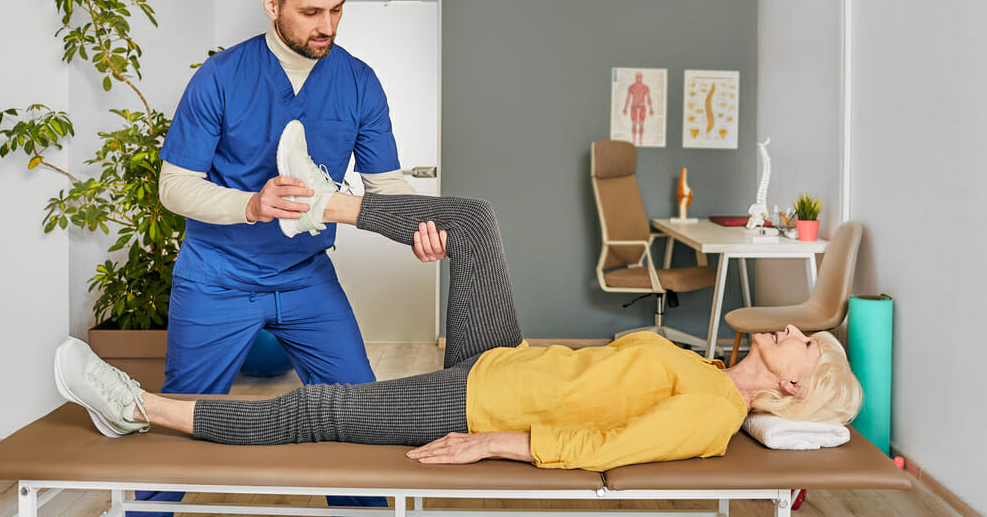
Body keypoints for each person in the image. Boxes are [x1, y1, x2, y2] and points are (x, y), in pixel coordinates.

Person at [57, 188, 864, 472]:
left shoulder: (714, 413)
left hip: (477, 402)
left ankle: (137, 406)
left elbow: (604, 449)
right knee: (473, 222)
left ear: (791, 384)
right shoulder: (708, 370)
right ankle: (322, 204)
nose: (789, 330)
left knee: (319, 409)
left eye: (800, 341)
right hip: (503, 358)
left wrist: (496, 442)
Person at [154, 0, 443, 515]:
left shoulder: (358, 81)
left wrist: (421, 228)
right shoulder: (220, 76)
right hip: (217, 276)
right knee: (179, 422)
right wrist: (253, 205)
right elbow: (174, 186)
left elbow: (385, 186)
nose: (327, 25)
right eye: (312, 12)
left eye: (337, 9)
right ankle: (148, 507)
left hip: (306, 276)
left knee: (360, 415)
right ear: (271, 3)